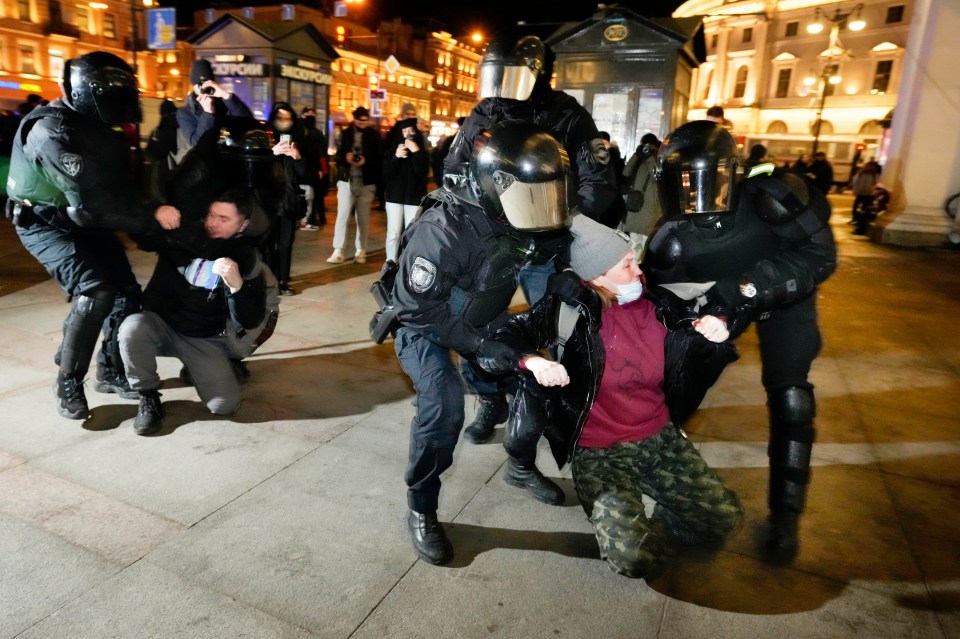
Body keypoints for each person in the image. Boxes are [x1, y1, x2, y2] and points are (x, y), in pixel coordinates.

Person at [480, 215, 743, 578]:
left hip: (659, 438)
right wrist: (532, 361)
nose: (639, 270)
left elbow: (727, 294)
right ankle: (637, 522)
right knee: (635, 560)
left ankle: (667, 512)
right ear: (597, 276)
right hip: (600, 453)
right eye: (627, 264)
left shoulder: (661, 305)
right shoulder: (569, 310)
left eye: (635, 259)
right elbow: (500, 338)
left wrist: (719, 320)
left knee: (725, 520)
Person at [643, 120, 837, 564]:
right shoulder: (671, 241)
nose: (698, 197)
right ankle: (670, 490)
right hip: (722, 302)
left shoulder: (775, 196)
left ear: (736, 172)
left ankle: (786, 516)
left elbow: (820, 256)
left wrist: (744, 287)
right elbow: (657, 306)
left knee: (792, 398)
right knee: (674, 390)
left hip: (786, 297)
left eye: (710, 180)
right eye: (684, 183)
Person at [391, 122, 571, 565]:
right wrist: (479, 345)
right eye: (532, 197)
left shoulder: (526, 207)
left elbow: (565, 241)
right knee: (443, 403)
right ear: (496, 185)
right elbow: (417, 309)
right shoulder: (444, 228)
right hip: (426, 322)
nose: (540, 208)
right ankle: (422, 508)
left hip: (482, 314)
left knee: (535, 380)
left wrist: (579, 277)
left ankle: (520, 464)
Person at [443, 32, 622, 444]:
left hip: (544, 246)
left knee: (555, 334)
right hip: (493, 245)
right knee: (472, 324)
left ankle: (548, 407)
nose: (501, 89)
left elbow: (598, 181)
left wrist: (560, 220)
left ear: (537, 74)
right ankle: (491, 399)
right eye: (496, 77)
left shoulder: (567, 115)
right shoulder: (483, 113)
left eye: (512, 77)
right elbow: (453, 169)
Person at [5, 52, 153, 419]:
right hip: (44, 222)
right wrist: (149, 224)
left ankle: (110, 370)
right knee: (97, 292)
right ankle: (68, 381)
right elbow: (90, 205)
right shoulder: (52, 131)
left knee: (127, 294)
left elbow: (120, 189)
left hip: (86, 217)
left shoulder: (101, 126)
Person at [120, 189, 269, 435]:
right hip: (162, 325)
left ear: (243, 224)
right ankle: (147, 395)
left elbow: (251, 318)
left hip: (202, 338)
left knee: (224, 406)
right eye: (211, 215)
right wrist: (156, 211)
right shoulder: (187, 233)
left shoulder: (246, 257)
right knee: (132, 328)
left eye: (224, 219)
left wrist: (237, 286)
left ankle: (202, 367)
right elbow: (143, 237)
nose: (212, 223)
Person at [327, 106, 382, 264]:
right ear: (354, 119)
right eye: (360, 120)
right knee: (342, 216)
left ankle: (361, 250)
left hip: (366, 182)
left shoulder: (374, 136)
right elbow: (337, 157)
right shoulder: (345, 134)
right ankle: (338, 250)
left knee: (363, 218)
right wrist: (346, 157)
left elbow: (379, 159)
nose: (363, 123)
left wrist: (366, 162)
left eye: (366, 120)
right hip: (346, 180)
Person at [263, 102, 306, 295]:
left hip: (289, 200)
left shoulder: (300, 139)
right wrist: (272, 154)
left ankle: (283, 281)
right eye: (279, 118)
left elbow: (306, 174)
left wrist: (297, 157)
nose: (283, 122)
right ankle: (270, 281)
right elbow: (257, 169)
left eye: (287, 118)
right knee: (268, 243)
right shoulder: (266, 137)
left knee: (286, 243)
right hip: (269, 199)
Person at [176, 59, 253, 150]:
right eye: (200, 84)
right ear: (193, 85)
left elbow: (248, 123)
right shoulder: (185, 113)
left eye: (207, 82)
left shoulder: (224, 103)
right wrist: (208, 113)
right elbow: (197, 145)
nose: (204, 87)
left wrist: (226, 96)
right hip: (208, 162)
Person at [382, 116, 429, 262]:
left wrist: (416, 153)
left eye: (411, 130)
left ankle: (407, 262)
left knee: (412, 231)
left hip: (414, 197)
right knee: (394, 232)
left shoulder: (421, 150)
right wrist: (396, 157)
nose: (408, 133)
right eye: (404, 130)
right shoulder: (392, 150)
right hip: (394, 197)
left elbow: (423, 172)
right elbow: (386, 175)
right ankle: (390, 262)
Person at [621, 132, 662, 259]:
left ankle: (639, 274)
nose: (647, 148)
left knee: (644, 247)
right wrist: (637, 154)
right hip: (636, 208)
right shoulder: (640, 159)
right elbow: (626, 172)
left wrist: (650, 157)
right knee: (634, 246)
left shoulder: (659, 160)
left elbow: (656, 176)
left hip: (649, 209)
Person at [298, 106, 329, 229]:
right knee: (310, 195)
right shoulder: (307, 132)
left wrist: (322, 169)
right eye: (308, 115)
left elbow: (322, 153)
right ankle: (311, 218)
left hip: (314, 167)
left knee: (315, 194)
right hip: (309, 168)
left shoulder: (314, 133)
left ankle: (316, 217)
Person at [145, 99, 179, 200]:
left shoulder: (160, 130)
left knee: (161, 197)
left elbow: (155, 153)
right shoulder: (181, 127)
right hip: (177, 169)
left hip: (163, 170)